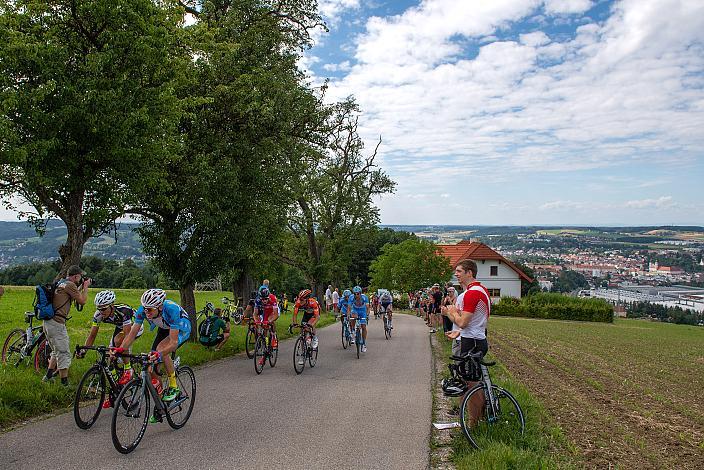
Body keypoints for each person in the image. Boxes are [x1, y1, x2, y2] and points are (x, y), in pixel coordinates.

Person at [117, 289, 191, 406]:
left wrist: (160, 353)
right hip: (165, 327)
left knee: (161, 348)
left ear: (160, 307)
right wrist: (120, 349)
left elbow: (173, 342)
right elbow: (132, 333)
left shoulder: (171, 310)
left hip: (181, 329)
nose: (146, 312)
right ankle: (161, 404)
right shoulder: (144, 309)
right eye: (145, 308)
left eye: (150, 309)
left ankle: (174, 386)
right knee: (152, 369)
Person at [442, 259, 491, 423]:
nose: (456, 274)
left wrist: (452, 312)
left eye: (459, 271)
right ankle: (473, 420)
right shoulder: (481, 289)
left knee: (471, 385)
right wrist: (458, 330)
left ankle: (472, 424)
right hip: (476, 338)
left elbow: (463, 322)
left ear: (469, 273)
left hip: (472, 341)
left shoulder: (472, 293)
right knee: (470, 382)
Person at [76, 290, 144, 405]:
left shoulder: (123, 311)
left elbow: (127, 335)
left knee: (118, 341)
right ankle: (117, 390)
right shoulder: (98, 315)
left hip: (134, 327)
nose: (101, 312)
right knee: (109, 360)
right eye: (99, 308)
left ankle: (128, 369)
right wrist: (84, 350)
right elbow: (92, 335)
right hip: (120, 327)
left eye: (103, 309)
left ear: (112, 306)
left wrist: (119, 350)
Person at [43, 265, 91, 385]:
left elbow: (71, 296)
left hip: (48, 322)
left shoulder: (61, 283)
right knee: (64, 352)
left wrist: (80, 286)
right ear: (76, 276)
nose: (81, 279)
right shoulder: (70, 285)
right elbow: (82, 301)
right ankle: (64, 383)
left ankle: (48, 377)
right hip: (57, 324)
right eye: (80, 277)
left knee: (56, 350)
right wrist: (85, 287)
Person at [254, 285, 279, 365]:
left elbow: (275, 314)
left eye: (266, 299)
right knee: (263, 326)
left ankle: (274, 336)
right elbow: (255, 314)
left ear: (268, 297)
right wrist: (257, 321)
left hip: (273, 310)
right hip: (265, 310)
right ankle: (265, 345)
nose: (264, 300)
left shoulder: (273, 298)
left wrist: (270, 321)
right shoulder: (257, 300)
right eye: (263, 299)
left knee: (269, 321)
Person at [292, 289, 320, 357]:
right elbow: (295, 314)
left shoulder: (312, 302)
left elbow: (317, 317)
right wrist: (295, 323)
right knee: (302, 330)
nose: (300, 302)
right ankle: (304, 352)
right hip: (306, 314)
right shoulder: (298, 302)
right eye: (300, 299)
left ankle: (314, 337)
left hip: (314, 315)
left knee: (309, 326)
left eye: (302, 300)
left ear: (307, 299)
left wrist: (312, 325)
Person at [348, 286, 370, 352]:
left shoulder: (364, 297)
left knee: (363, 327)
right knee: (352, 317)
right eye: (355, 294)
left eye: (358, 294)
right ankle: (353, 332)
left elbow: (368, 308)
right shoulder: (351, 297)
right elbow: (349, 308)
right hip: (355, 310)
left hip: (363, 311)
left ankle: (363, 344)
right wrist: (348, 315)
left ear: (360, 293)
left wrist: (367, 315)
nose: (356, 295)